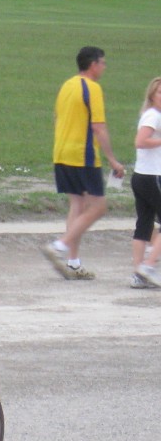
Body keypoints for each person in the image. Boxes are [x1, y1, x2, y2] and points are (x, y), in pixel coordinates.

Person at [43, 46, 126, 281]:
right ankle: (59, 246)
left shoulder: (67, 85)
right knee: (98, 207)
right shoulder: (92, 88)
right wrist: (112, 160)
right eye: (103, 63)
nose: (104, 67)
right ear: (93, 64)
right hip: (83, 156)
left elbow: (57, 118)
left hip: (62, 153)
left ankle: (73, 262)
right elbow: (98, 126)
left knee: (77, 206)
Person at [129, 76, 161, 289]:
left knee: (144, 224)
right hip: (152, 176)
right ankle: (148, 267)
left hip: (142, 175)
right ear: (152, 95)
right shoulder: (153, 116)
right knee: (146, 223)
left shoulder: (151, 115)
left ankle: (138, 273)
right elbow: (141, 142)